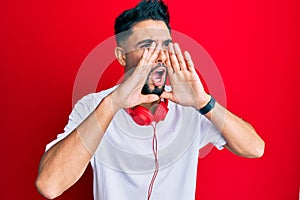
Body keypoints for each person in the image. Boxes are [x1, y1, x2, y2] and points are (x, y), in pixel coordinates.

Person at [36, 1, 265, 199]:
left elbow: (255, 148)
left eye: (165, 46)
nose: (159, 56)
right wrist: (113, 103)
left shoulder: (190, 107)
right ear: (121, 56)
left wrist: (203, 101)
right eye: (146, 46)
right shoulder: (92, 105)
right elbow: (49, 185)